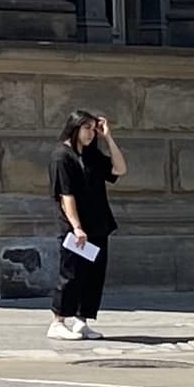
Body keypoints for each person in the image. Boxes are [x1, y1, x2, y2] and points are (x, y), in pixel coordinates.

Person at [48, 109, 125, 341]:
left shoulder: (91, 155)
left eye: (93, 128)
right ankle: (58, 321)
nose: (91, 133)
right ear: (75, 128)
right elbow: (66, 195)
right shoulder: (62, 156)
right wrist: (77, 226)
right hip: (75, 228)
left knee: (94, 276)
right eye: (86, 128)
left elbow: (119, 169)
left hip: (99, 224)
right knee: (71, 274)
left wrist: (108, 138)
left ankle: (82, 321)